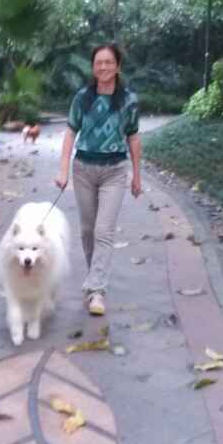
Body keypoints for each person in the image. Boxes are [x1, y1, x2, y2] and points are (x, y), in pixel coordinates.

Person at [55, 43, 141, 316]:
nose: (103, 67)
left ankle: (97, 290)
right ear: (93, 67)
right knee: (87, 231)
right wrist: (63, 170)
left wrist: (137, 176)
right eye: (98, 63)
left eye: (108, 62)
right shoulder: (83, 98)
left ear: (118, 66)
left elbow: (133, 137)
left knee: (104, 231)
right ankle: (95, 280)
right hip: (83, 169)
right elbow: (70, 132)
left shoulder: (129, 100)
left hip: (115, 171)